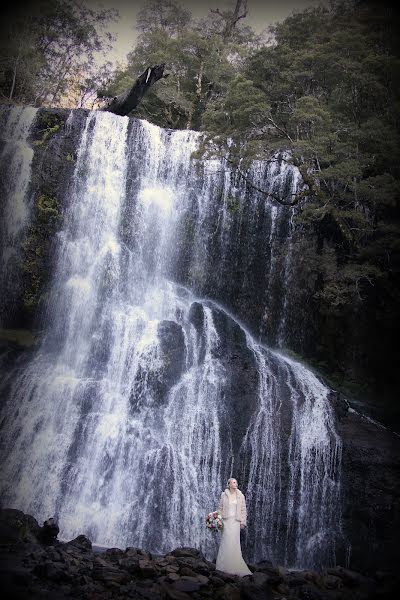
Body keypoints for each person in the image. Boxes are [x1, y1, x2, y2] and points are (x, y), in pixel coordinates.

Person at [215, 477, 252, 576]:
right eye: (234, 482)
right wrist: (218, 519)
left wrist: (243, 522)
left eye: (236, 482)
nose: (236, 484)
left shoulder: (240, 495)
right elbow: (220, 508)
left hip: (235, 522)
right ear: (229, 484)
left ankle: (234, 565)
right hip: (226, 521)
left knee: (234, 542)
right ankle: (223, 566)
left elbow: (243, 510)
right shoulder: (224, 495)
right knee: (225, 541)